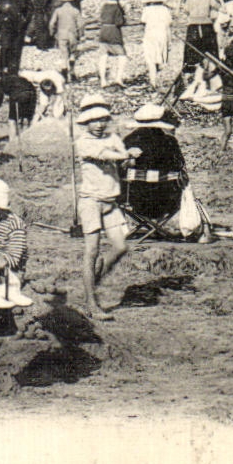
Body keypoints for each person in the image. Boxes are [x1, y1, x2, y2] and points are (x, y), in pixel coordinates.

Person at [73, 96, 133, 319]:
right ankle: (92, 303)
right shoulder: (83, 142)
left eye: (102, 120)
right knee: (92, 251)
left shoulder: (113, 137)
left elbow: (122, 158)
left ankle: (93, 280)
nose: (99, 125)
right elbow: (106, 155)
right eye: (94, 121)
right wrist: (125, 154)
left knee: (120, 247)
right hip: (91, 201)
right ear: (86, 123)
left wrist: (129, 159)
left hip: (110, 200)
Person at [0, 178, 33, 308]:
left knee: (9, 278)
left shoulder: (14, 224)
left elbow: (14, 257)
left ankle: (5, 291)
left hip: (8, 267)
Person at [49, 0, 82, 82]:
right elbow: (81, 24)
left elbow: (52, 23)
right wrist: (81, 34)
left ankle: (64, 72)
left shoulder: (58, 10)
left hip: (61, 34)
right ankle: (72, 72)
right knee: (72, 53)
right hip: (72, 34)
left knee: (64, 54)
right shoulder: (76, 11)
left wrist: (52, 33)